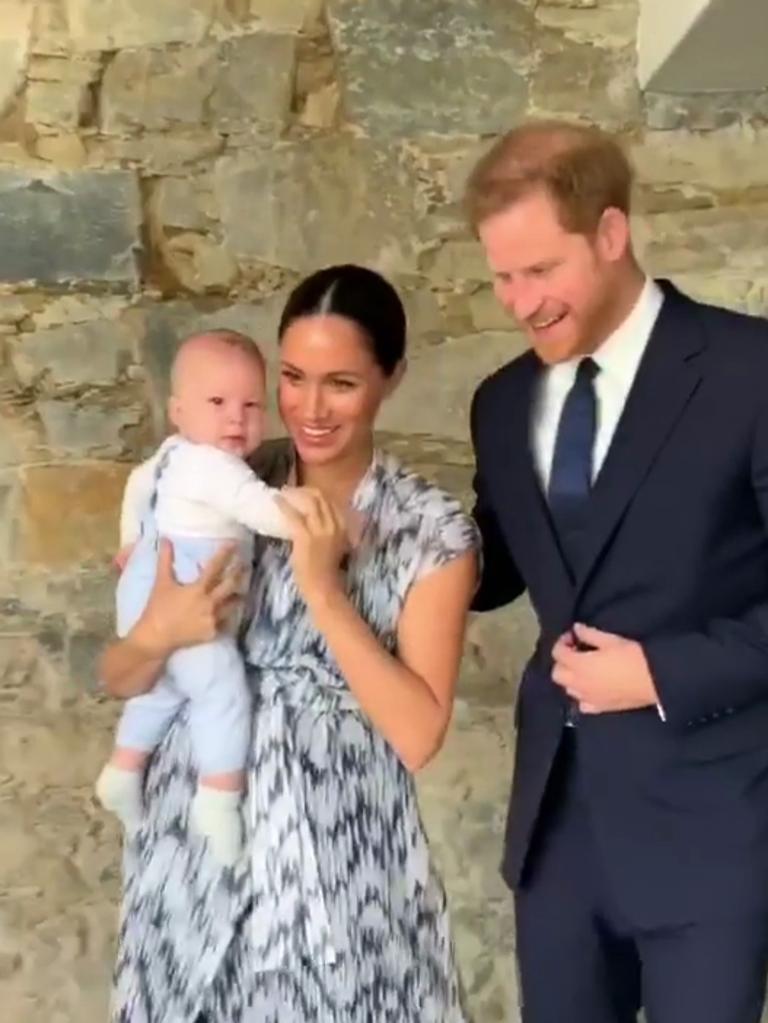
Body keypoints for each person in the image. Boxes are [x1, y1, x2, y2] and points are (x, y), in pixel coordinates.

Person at [99, 264, 480, 1023]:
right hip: (197, 849)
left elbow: (417, 734)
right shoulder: (226, 480)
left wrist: (324, 589)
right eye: (295, 377)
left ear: (391, 378)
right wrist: (159, 632)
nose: (309, 407)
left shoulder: (432, 530)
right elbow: (121, 676)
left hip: (341, 870)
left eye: (340, 382)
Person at [465, 119, 768, 1023]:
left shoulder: (752, 371)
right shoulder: (500, 401)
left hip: (711, 833)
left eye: (540, 270)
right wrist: (365, 526)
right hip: (557, 843)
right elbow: (495, 569)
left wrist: (660, 672)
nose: (520, 302)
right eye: (502, 276)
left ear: (609, 232)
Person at [96, 329, 311, 866]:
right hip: (185, 587)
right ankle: (218, 800)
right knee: (221, 689)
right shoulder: (214, 467)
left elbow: (136, 488)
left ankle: (124, 767)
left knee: (165, 689)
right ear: (178, 411)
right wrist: (305, 512)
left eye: (251, 405)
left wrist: (129, 544)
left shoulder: (167, 459)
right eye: (218, 403)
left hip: (145, 586)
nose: (236, 419)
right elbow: (259, 509)